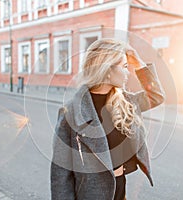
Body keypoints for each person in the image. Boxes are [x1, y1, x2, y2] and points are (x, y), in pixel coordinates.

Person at [50, 38, 165, 200]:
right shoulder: (71, 113)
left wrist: (138, 63)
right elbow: (61, 173)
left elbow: (156, 96)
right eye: (125, 67)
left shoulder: (126, 102)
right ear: (107, 70)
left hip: (119, 191)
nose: (128, 72)